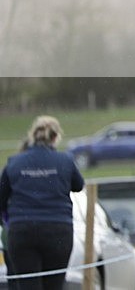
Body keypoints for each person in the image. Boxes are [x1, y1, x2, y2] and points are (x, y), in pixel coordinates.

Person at [0, 116, 84, 290]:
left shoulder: (14, 162)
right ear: (55, 137)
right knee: (54, 284)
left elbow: (1, 197)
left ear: (33, 136)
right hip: (58, 230)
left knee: (27, 284)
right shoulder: (65, 160)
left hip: (22, 230)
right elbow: (78, 185)